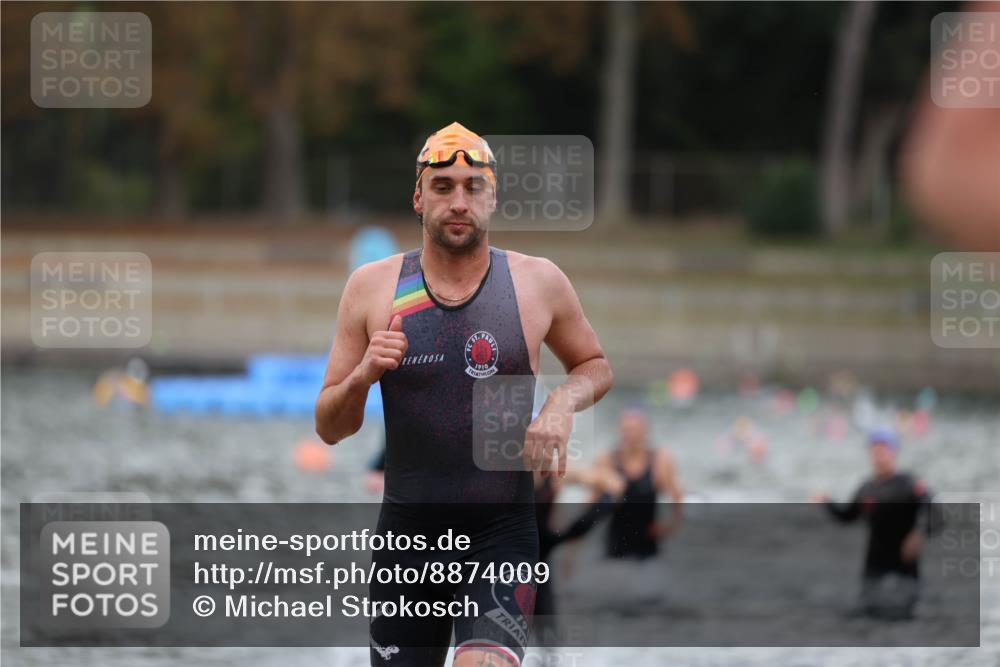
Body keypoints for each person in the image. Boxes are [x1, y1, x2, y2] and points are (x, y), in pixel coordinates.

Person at [315, 122, 613, 667]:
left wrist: (560, 404)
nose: (459, 201)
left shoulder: (536, 281)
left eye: (473, 187)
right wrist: (362, 376)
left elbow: (594, 365)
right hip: (408, 541)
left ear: (492, 197)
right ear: (418, 198)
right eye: (443, 186)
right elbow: (330, 427)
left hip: (501, 534)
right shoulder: (374, 287)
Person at [811, 428, 937, 620]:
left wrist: (919, 535)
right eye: (874, 451)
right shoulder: (866, 488)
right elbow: (847, 516)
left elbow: (935, 514)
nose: (879, 456)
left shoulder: (909, 485)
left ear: (893, 452)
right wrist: (827, 502)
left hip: (905, 563)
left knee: (909, 612)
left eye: (883, 450)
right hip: (875, 563)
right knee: (866, 613)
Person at [590, 407, 683, 606]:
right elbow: (590, 503)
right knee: (612, 595)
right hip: (614, 546)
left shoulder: (660, 460)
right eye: (625, 429)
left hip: (647, 547)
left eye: (634, 429)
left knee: (649, 595)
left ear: (645, 430)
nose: (629, 434)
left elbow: (677, 496)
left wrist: (669, 526)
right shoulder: (606, 459)